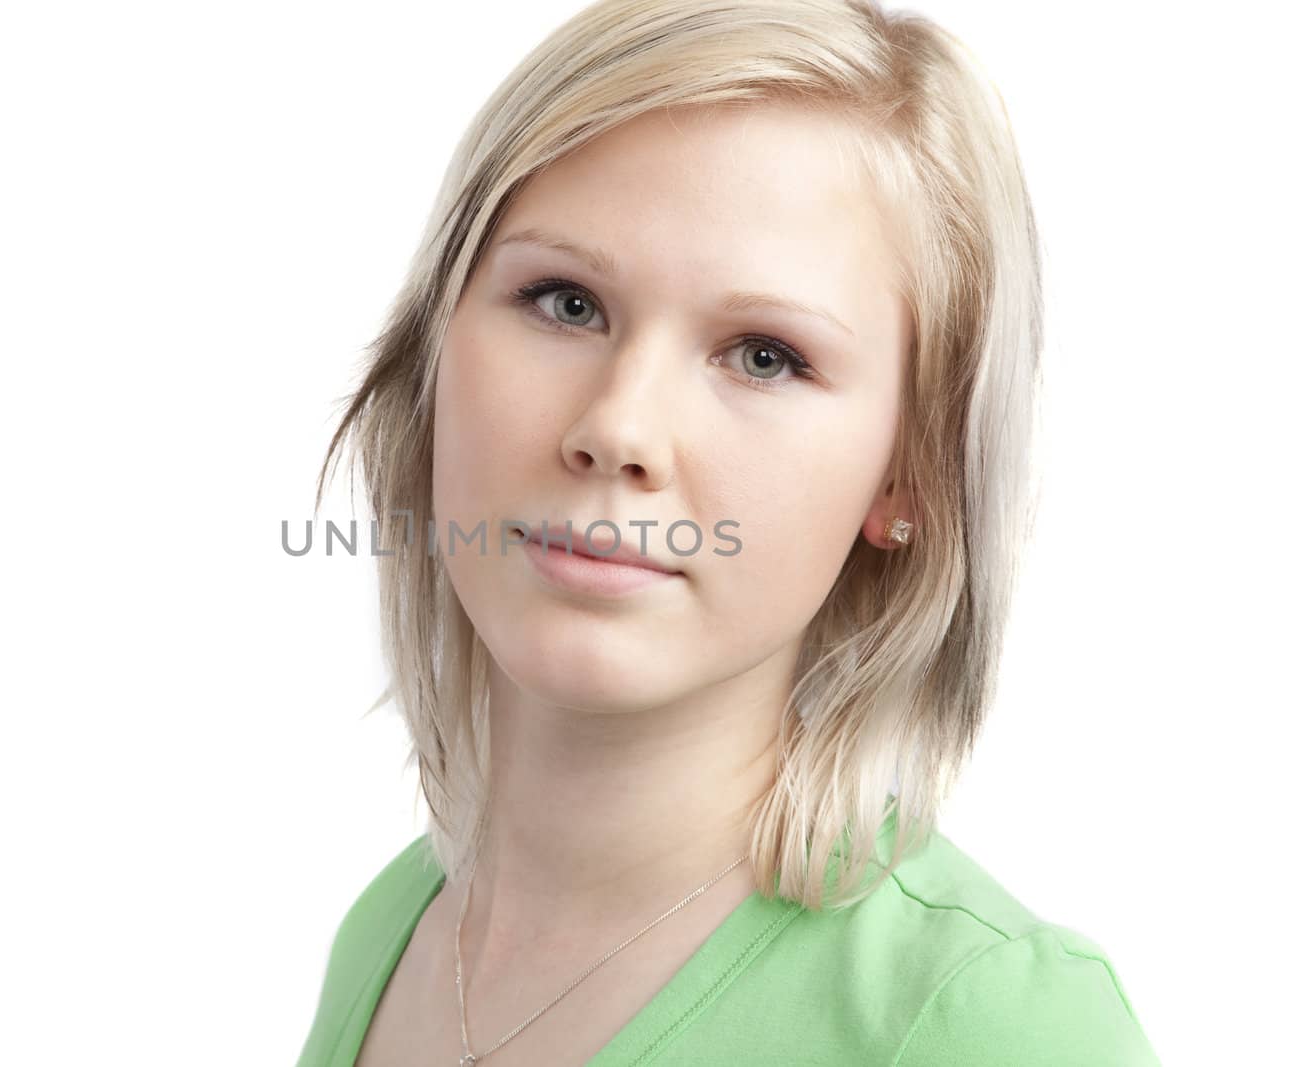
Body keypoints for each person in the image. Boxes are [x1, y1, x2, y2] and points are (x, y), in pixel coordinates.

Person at [295, 0, 1160, 1063]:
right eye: (564, 301)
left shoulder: (987, 1023)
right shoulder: (394, 929)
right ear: (432, 347)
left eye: (762, 355)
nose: (617, 427)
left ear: (910, 475)